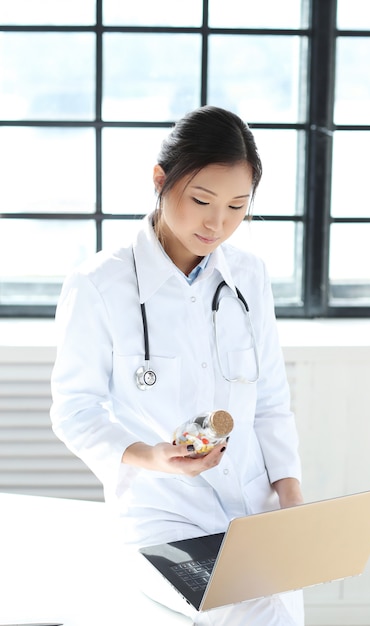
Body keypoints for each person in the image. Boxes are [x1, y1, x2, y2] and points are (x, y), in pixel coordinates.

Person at [50, 105, 304, 625]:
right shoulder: (100, 284)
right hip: (161, 516)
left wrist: (293, 501)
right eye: (202, 200)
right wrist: (152, 456)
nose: (218, 224)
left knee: (283, 607)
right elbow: (74, 411)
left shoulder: (249, 277)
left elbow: (272, 400)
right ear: (160, 181)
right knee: (249, 613)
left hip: (255, 508)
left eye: (238, 206)